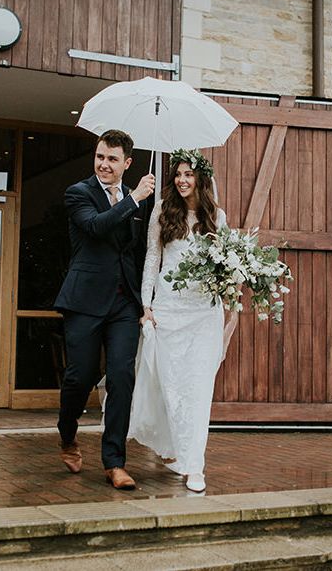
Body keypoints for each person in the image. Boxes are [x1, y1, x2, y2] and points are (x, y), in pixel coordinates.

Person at [54, 129, 155, 490]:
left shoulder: (139, 199)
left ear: (127, 163)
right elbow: (96, 227)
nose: (104, 164)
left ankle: (115, 462)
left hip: (124, 304)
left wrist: (147, 300)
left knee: (121, 377)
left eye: (112, 159)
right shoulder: (79, 193)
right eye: (100, 156)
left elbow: (140, 252)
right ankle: (67, 433)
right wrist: (134, 199)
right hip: (84, 301)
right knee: (79, 378)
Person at [128, 148, 228, 493]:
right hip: (169, 309)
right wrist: (146, 304)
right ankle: (177, 452)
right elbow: (152, 260)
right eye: (178, 174)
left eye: (189, 174)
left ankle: (194, 465)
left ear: (201, 179)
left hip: (203, 314)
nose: (182, 180)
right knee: (172, 388)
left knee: (199, 389)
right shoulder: (161, 211)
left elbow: (223, 267)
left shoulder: (218, 217)